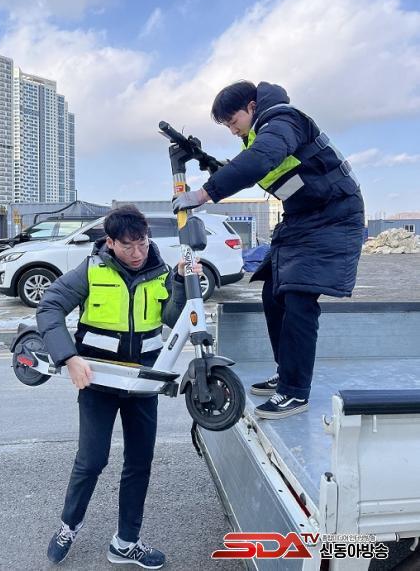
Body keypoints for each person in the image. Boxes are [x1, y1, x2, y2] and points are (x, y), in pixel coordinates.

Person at [173, 80, 364, 419]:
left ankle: (295, 391)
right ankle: (286, 372)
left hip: (333, 216)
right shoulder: (261, 133)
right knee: (273, 291)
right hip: (303, 217)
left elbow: (261, 159)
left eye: (233, 121)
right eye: (226, 126)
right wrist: (212, 163)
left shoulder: (282, 120)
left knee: (299, 298)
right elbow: (256, 164)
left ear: (251, 106)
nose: (232, 130)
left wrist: (204, 193)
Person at [36, 205, 201, 568]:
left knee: (140, 462)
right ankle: (69, 526)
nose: (137, 252)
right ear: (110, 242)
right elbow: (49, 308)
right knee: (91, 460)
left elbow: (174, 319)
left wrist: (181, 284)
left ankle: (126, 542)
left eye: (142, 243)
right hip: (98, 381)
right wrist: (68, 357)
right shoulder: (91, 270)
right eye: (128, 246)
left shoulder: (161, 270)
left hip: (143, 383)